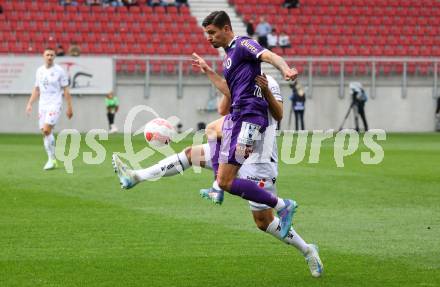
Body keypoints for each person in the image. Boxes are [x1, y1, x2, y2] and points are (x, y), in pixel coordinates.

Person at [112, 73, 323, 277]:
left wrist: (262, 91)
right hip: (233, 145)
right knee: (190, 154)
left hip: (258, 157)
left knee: (263, 221)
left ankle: (307, 250)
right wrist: (225, 85)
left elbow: (276, 115)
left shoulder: (269, 83)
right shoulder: (237, 76)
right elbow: (223, 109)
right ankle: (136, 176)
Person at [191, 11, 299, 239]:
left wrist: (285, 68)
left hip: (249, 118)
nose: (208, 38)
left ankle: (282, 205)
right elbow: (229, 92)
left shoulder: (242, 44)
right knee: (222, 167)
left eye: (212, 33)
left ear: (226, 28)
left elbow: (269, 56)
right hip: (240, 118)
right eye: (206, 34)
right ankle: (217, 190)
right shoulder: (229, 57)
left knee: (227, 179)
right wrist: (209, 72)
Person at [26, 48, 73, 170]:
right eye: (47, 54)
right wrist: (30, 103)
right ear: (43, 56)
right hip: (43, 105)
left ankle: (51, 160)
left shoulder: (59, 71)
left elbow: (66, 89)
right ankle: (52, 159)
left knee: (47, 130)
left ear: (55, 57)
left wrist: (69, 107)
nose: (50, 57)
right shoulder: (39, 71)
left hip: (55, 103)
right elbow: (36, 89)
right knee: (45, 132)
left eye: (52, 55)